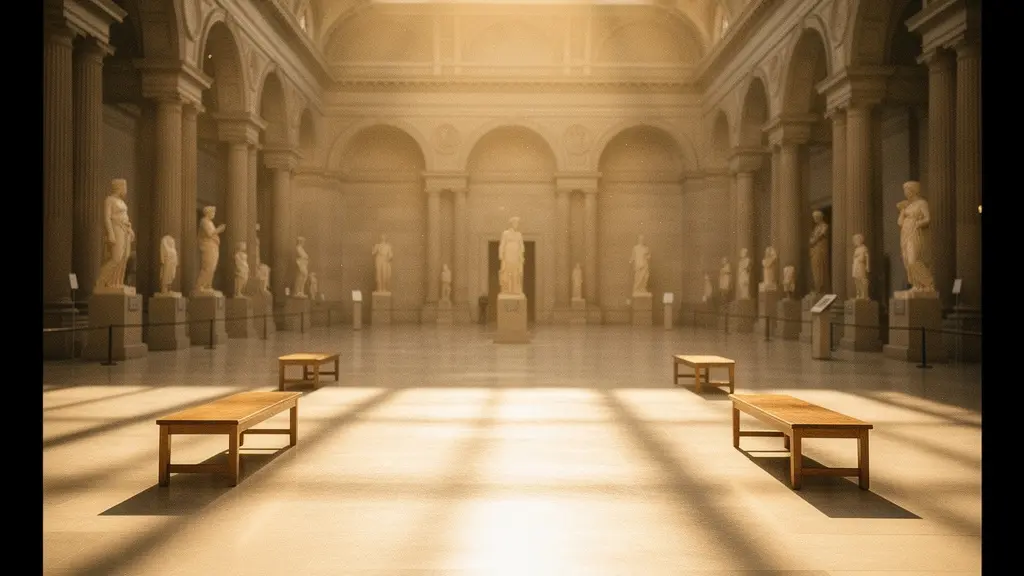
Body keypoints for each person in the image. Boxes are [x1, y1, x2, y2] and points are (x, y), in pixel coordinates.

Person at [94, 179, 136, 293]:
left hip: (125, 229)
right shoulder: (110, 200)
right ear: (119, 187)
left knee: (124, 257)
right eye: (124, 187)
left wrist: (130, 229)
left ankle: (117, 282)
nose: (126, 190)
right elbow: (107, 218)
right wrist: (111, 233)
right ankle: (101, 281)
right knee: (116, 257)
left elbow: (126, 218)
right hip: (116, 228)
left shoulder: (122, 202)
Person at [897, 181, 936, 293]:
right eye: (904, 190)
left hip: (915, 233)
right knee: (906, 260)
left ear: (913, 190)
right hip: (905, 234)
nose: (905, 192)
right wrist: (902, 211)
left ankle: (928, 283)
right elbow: (900, 223)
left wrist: (917, 223)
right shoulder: (907, 206)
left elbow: (927, 218)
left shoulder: (922, 203)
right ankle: (916, 285)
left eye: (907, 190)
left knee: (913, 260)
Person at [194, 205, 225, 295]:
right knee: (207, 266)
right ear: (208, 213)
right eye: (213, 212)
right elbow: (210, 233)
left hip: (213, 246)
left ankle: (207, 285)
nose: (214, 214)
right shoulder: (204, 221)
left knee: (212, 267)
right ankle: (199, 286)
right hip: (207, 246)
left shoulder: (210, 222)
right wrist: (219, 229)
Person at [499, 216, 525, 295]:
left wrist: (522, 255)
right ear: (511, 224)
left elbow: (521, 245)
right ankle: (507, 289)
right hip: (508, 255)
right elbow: (502, 244)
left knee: (516, 272)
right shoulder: (505, 233)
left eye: (517, 223)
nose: (516, 225)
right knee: (507, 271)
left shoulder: (519, 234)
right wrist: (501, 254)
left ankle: (515, 289)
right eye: (515, 223)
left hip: (516, 255)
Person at [809, 210, 830, 294]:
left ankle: (821, 288)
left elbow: (819, 237)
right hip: (814, 250)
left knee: (820, 268)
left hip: (820, 250)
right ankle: (817, 287)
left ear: (820, 217)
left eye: (815, 217)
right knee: (815, 269)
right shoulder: (816, 228)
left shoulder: (824, 226)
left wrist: (813, 240)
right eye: (813, 217)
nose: (814, 219)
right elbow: (812, 239)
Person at [852, 233, 870, 300]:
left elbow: (867, 257)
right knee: (856, 280)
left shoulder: (864, 248)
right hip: (856, 265)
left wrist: (868, 266)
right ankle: (858, 294)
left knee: (863, 279)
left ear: (860, 240)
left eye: (856, 240)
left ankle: (864, 295)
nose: (855, 241)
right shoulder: (856, 249)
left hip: (861, 265)